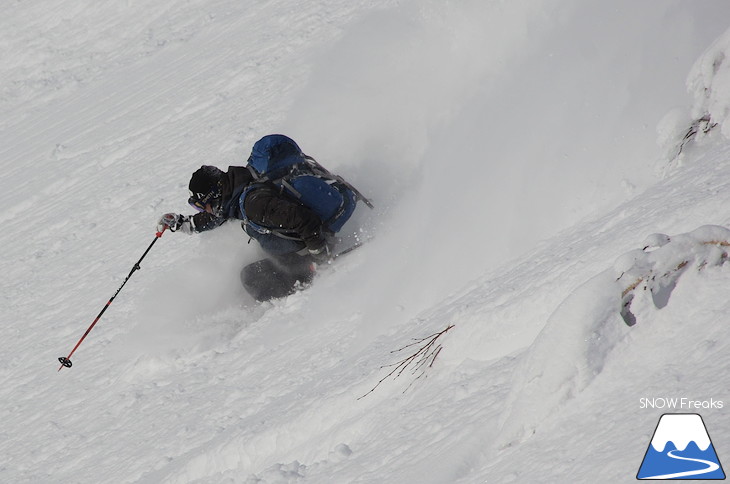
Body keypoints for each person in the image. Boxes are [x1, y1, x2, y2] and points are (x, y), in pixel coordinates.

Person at [157, 134, 366, 300]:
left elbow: (302, 219)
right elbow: (220, 214)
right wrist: (186, 224)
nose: (205, 211)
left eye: (202, 206)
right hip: (305, 240)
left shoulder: (253, 203)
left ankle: (301, 286)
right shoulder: (240, 185)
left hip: (314, 245)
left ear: (213, 197)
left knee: (251, 278)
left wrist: (320, 254)